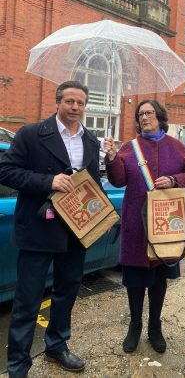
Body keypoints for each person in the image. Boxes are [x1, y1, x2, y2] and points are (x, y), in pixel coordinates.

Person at [0, 80, 101, 378]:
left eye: (80, 103)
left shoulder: (91, 140)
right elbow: (6, 171)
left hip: (74, 230)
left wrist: (102, 220)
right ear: (57, 103)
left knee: (67, 292)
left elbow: (92, 186)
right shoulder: (31, 134)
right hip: (37, 230)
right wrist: (48, 182)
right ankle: (18, 364)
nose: (75, 107)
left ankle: (57, 346)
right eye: (69, 101)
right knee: (27, 300)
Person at [104, 99, 185, 353]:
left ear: (159, 116)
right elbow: (119, 179)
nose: (145, 117)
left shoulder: (177, 147)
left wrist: (173, 179)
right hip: (136, 223)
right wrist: (112, 158)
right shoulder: (128, 147)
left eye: (149, 113)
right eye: (141, 114)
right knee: (134, 279)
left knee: (159, 278)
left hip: (166, 223)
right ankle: (134, 326)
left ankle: (154, 327)